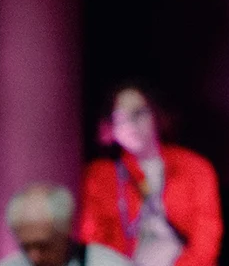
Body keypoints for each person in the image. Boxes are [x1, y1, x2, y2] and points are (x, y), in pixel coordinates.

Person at [78, 84, 221, 266]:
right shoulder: (100, 175)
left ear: (156, 113)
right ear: (110, 127)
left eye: (138, 114)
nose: (130, 124)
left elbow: (206, 236)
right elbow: (93, 238)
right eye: (120, 118)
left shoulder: (195, 168)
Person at [0, 182, 132, 266]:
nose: (34, 256)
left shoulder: (105, 263)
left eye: (43, 246)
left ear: (66, 231)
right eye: (26, 247)